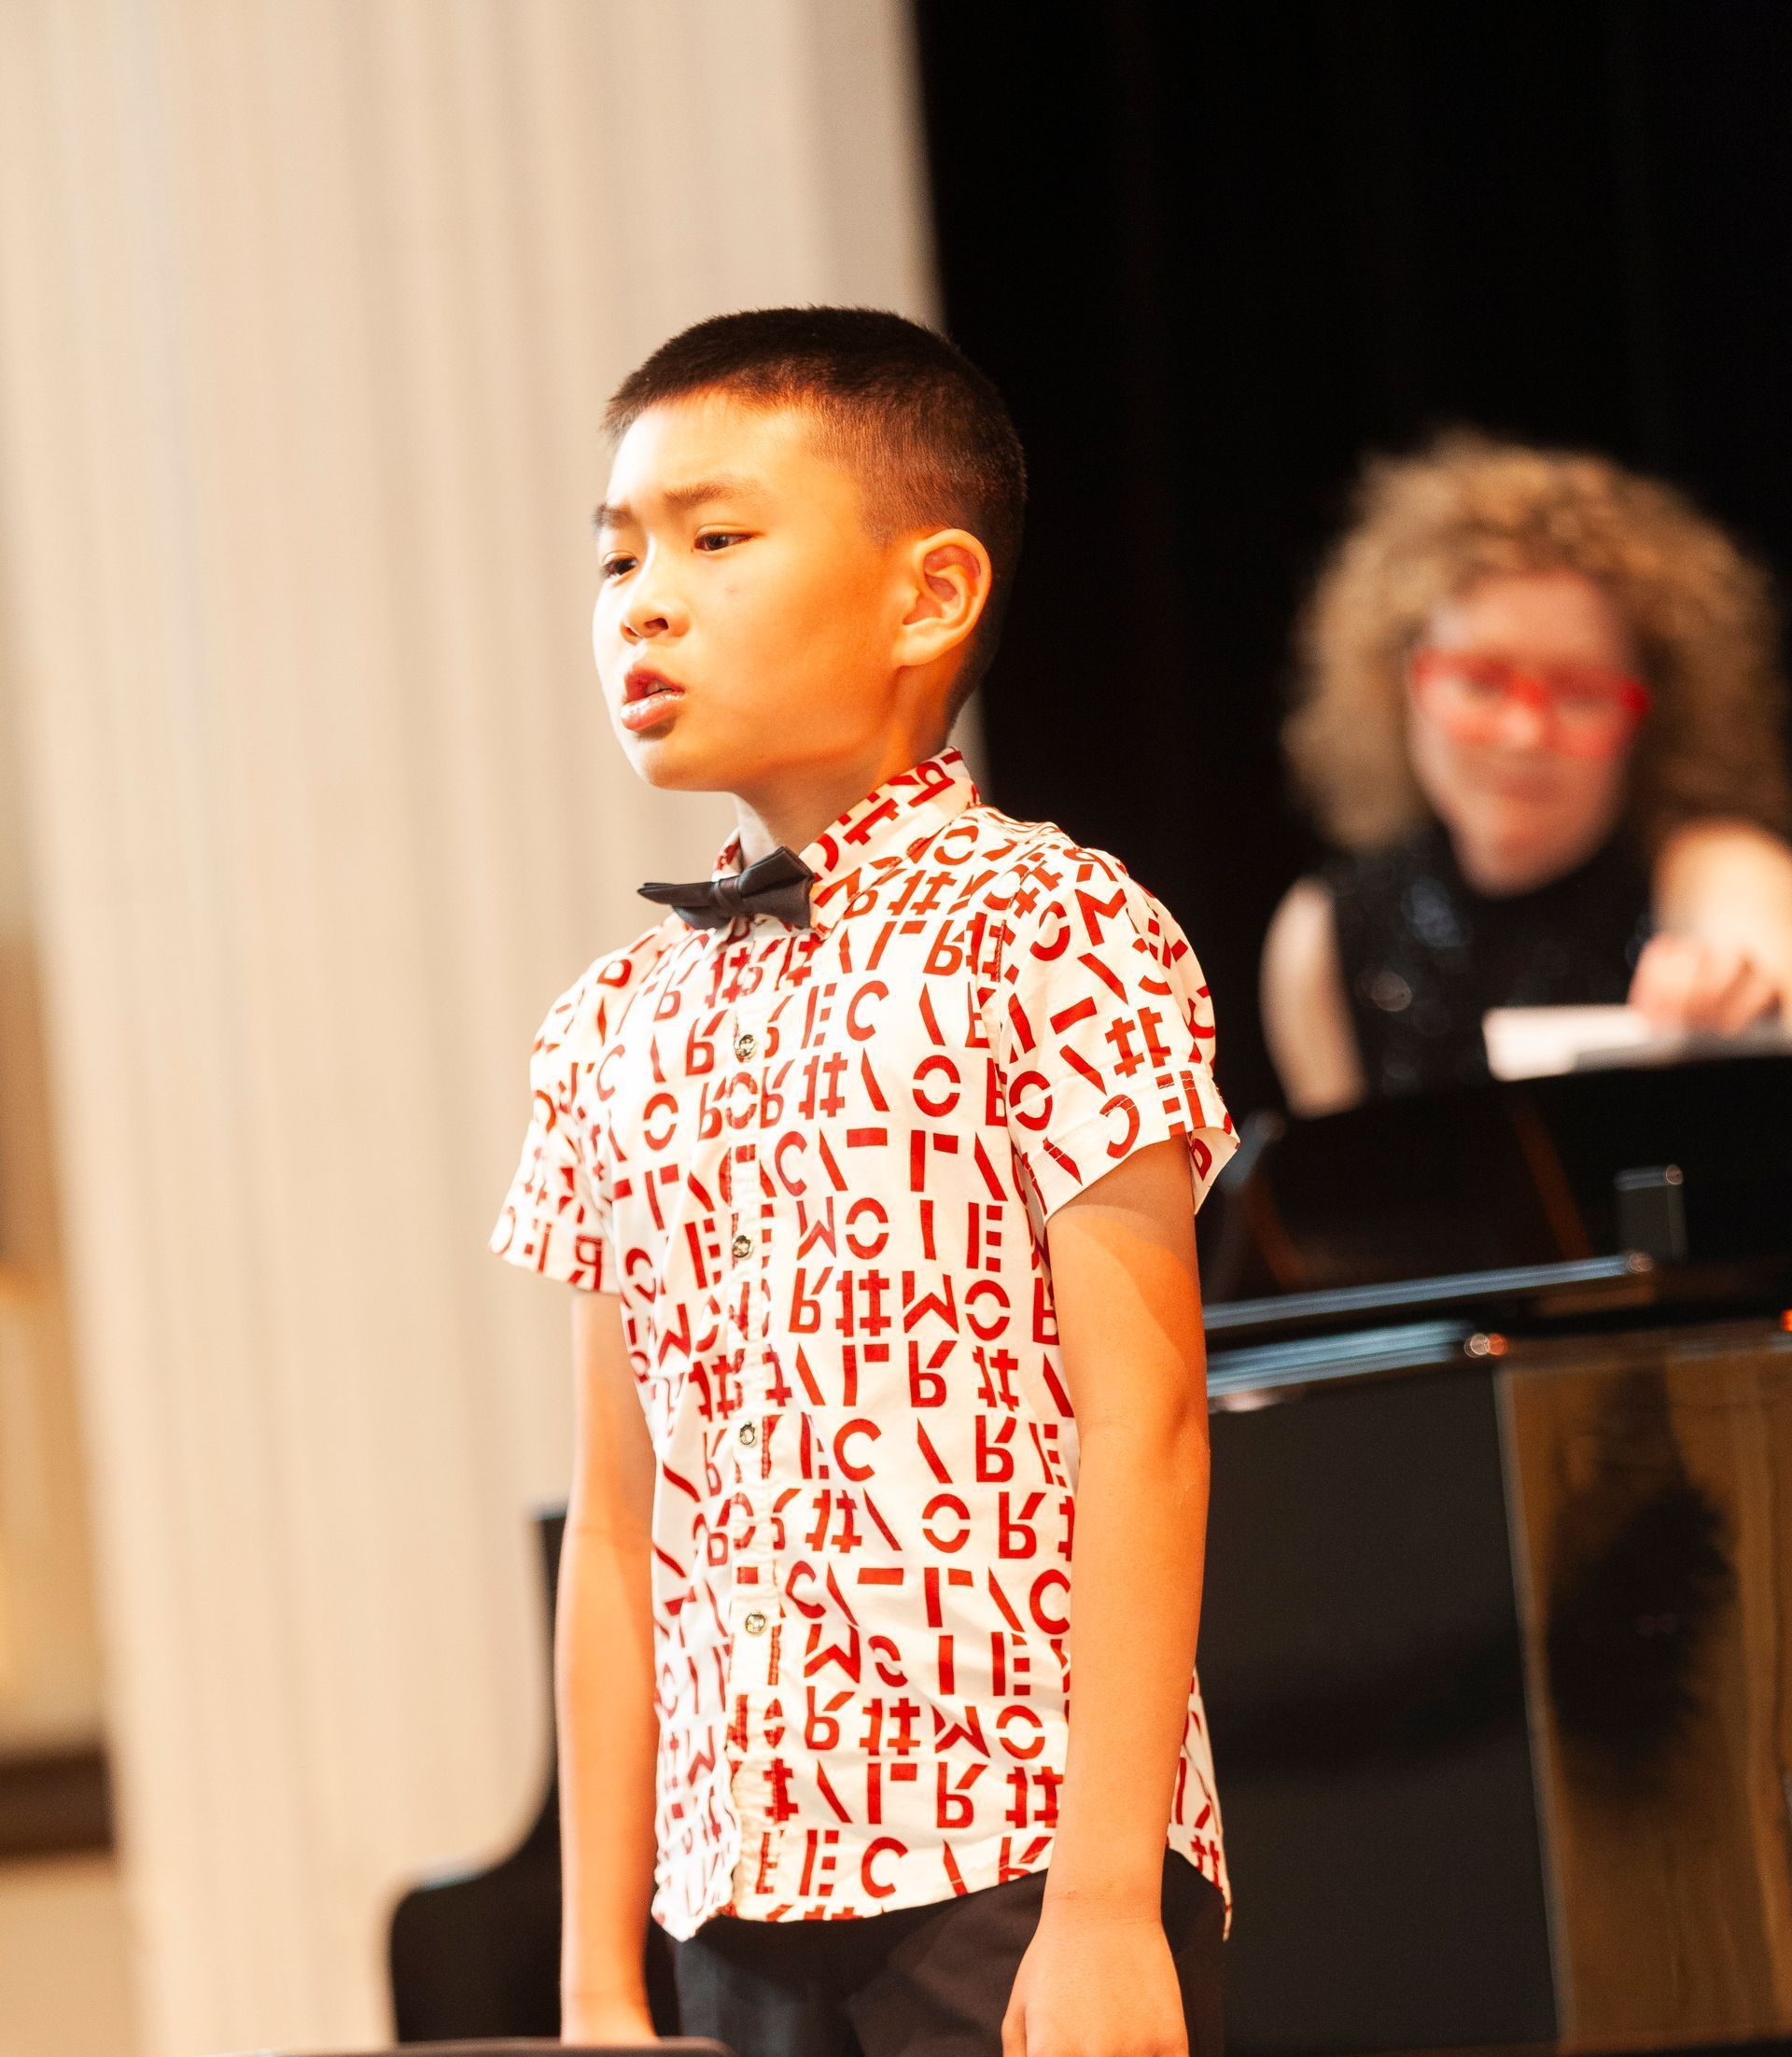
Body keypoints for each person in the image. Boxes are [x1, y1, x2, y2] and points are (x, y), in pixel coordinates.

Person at [490, 308, 1237, 2057]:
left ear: (929, 592)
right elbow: (619, 1520)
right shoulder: (608, 1020)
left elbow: (1150, 1420)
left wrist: (1109, 1895)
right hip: (733, 1883)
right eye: (618, 554)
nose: (642, 601)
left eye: (716, 537)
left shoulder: (1048, 926)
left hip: (1010, 1856)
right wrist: (603, 1981)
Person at [1261, 432, 1792, 1113]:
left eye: (1580, 694)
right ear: (1402, 685)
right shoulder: (1324, 933)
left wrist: (1738, 987)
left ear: (1648, 715)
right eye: (1481, 682)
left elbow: (1759, 942)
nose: (1524, 733)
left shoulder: (1707, 865)